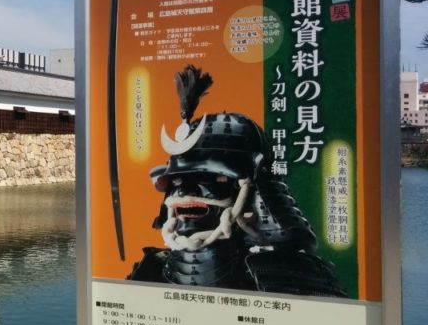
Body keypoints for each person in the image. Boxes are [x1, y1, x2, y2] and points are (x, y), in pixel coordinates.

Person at [127, 65, 346, 297]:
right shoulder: (152, 268)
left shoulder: (289, 273)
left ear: (254, 189)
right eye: (179, 181)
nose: (185, 193)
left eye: (212, 178)